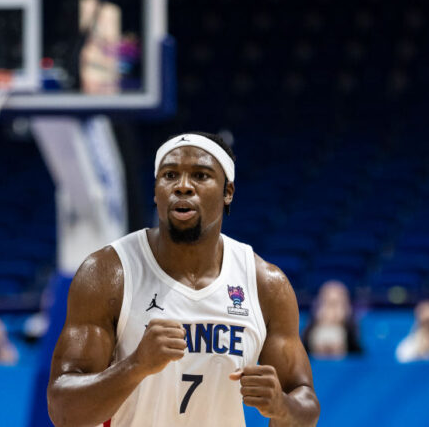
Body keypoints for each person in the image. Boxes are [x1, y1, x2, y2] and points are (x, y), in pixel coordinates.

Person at [48, 133, 319, 426]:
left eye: (201, 175)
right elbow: (63, 411)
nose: (183, 186)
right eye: (170, 175)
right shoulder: (108, 273)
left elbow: (306, 407)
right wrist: (136, 365)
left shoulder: (265, 284)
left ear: (228, 191)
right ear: (156, 191)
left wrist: (281, 405)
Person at [301, 280, 363, 358]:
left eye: (336, 304)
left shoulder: (357, 344)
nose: (331, 311)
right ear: (316, 308)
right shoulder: (303, 342)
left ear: (348, 309)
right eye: (326, 303)